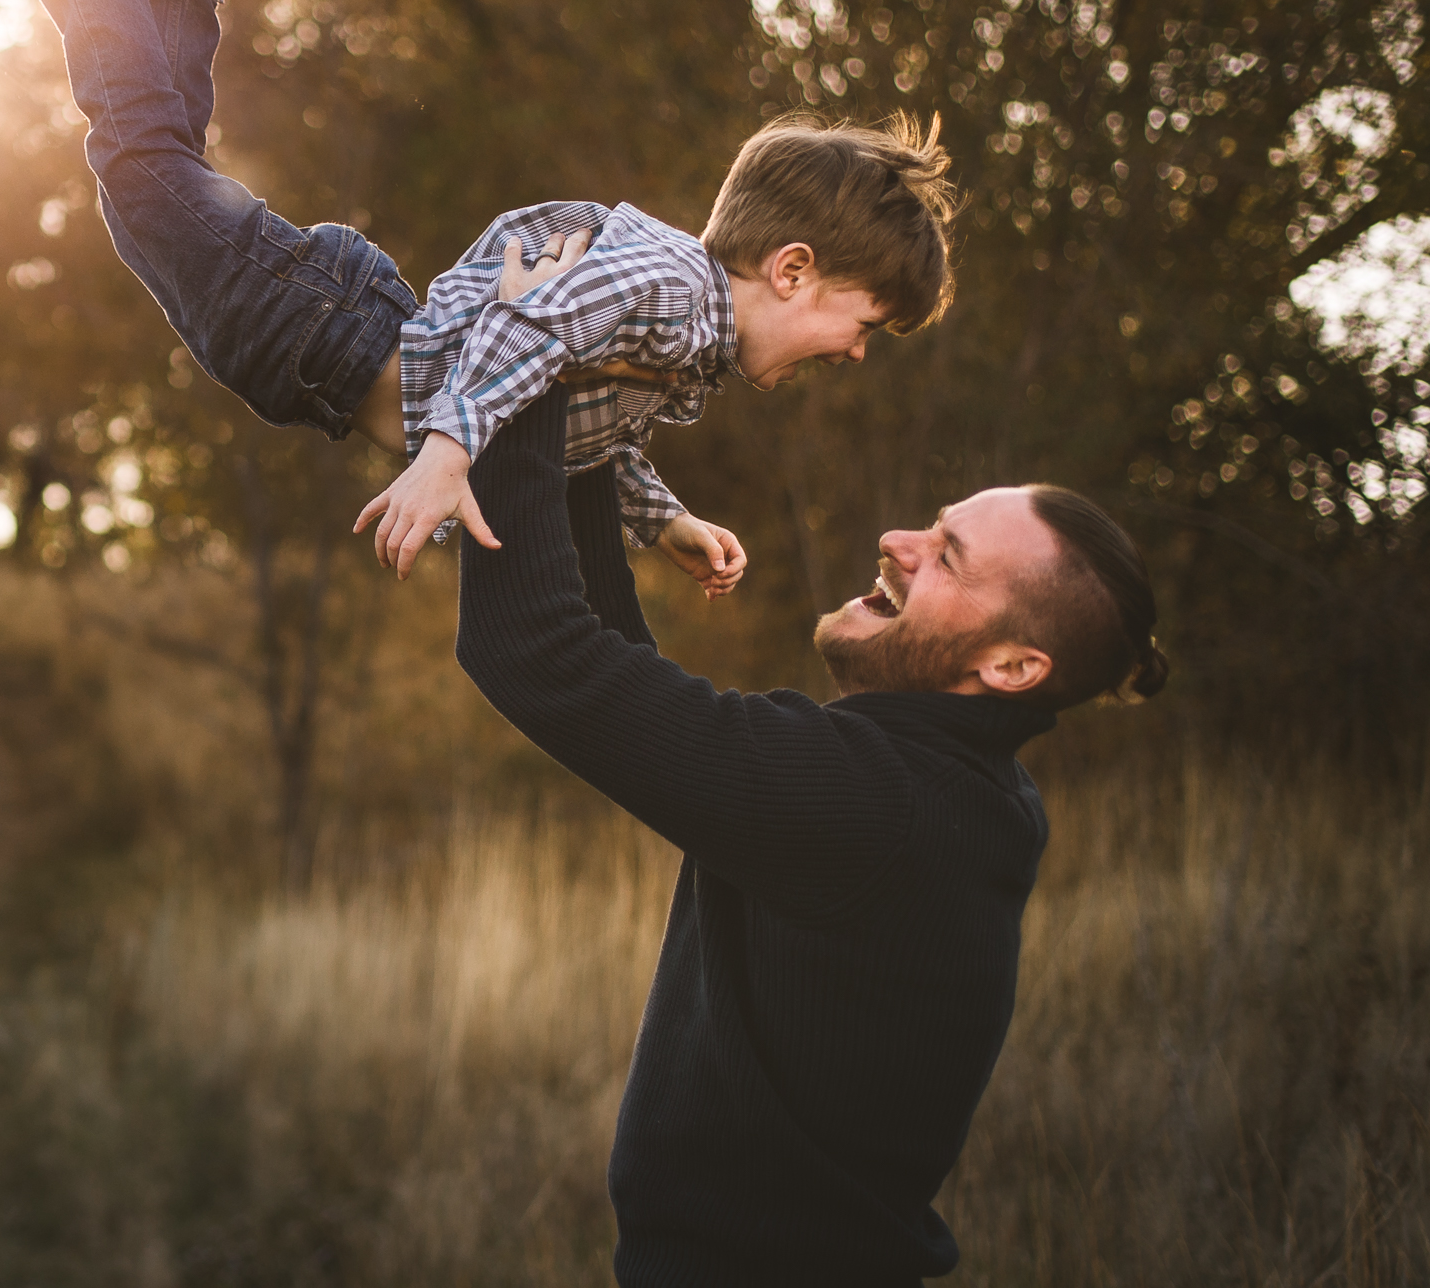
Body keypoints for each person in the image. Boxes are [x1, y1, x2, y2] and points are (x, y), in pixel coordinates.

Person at [0, 0, 958, 591]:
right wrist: (447, 455)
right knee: (139, 163)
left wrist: (661, 517)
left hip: (323, 341)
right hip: (320, 333)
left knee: (158, 165)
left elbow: (561, 407)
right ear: (791, 267)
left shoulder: (680, 335)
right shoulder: (674, 289)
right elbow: (530, 325)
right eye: (862, 322)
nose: (859, 354)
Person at [454, 385, 1170, 1284]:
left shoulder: (874, 802)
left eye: (947, 558)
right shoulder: (966, 792)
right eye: (932, 524)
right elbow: (612, 662)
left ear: (1012, 665)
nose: (897, 544)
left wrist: (524, 372)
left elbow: (532, 649)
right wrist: (587, 404)